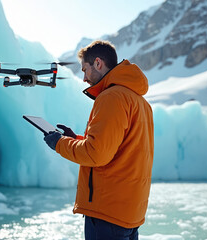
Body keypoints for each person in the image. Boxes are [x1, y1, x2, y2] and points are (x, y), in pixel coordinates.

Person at [43, 40, 154, 240]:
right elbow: (120, 149)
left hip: (107, 212)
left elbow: (96, 154)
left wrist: (59, 143)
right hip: (129, 213)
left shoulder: (112, 97)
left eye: (85, 70)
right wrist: (75, 139)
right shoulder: (140, 102)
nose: (84, 78)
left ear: (98, 63)